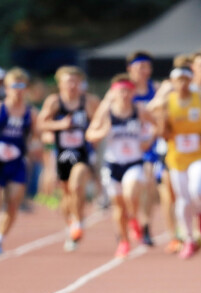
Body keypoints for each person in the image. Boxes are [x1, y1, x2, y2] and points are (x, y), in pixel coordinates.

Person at [148, 66, 201, 259]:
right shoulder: (166, 103)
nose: (182, 83)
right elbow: (160, 129)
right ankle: (188, 239)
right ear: (172, 82)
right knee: (183, 200)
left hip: (200, 154)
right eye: (178, 80)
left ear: (190, 80)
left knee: (198, 190)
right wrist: (163, 127)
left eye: (186, 79)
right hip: (177, 157)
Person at [86, 74, 155, 258]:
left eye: (127, 91)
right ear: (113, 93)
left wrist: (148, 140)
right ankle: (124, 241)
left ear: (132, 93)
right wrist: (102, 131)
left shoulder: (138, 110)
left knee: (130, 193)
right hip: (113, 164)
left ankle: (133, 218)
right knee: (118, 206)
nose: (124, 95)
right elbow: (90, 134)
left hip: (134, 162)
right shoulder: (106, 112)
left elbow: (157, 125)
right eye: (120, 91)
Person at [37, 66, 100, 252]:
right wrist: (60, 125)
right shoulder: (54, 102)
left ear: (80, 83)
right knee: (66, 194)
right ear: (60, 84)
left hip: (83, 153)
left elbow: (100, 121)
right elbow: (41, 123)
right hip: (63, 153)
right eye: (67, 81)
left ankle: (78, 222)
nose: (72, 85)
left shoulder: (88, 101)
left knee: (76, 185)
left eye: (75, 81)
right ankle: (71, 224)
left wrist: (93, 133)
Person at [0, 68, 39, 254]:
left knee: (13, 202)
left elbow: (37, 137)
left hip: (17, 162)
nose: (18, 90)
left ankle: (1, 238)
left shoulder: (30, 114)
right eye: (14, 85)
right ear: (6, 87)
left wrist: (36, 147)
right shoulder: (0, 109)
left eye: (22, 86)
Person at [126, 50, 162, 245]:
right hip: (125, 146)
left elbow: (161, 118)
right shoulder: (123, 90)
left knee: (149, 184)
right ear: (130, 69)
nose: (143, 71)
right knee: (130, 190)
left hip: (149, 145)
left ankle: (146, 225)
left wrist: (153, 136)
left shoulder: (155, 89)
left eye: (146, 67)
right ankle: (132, 218)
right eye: (139, 67)